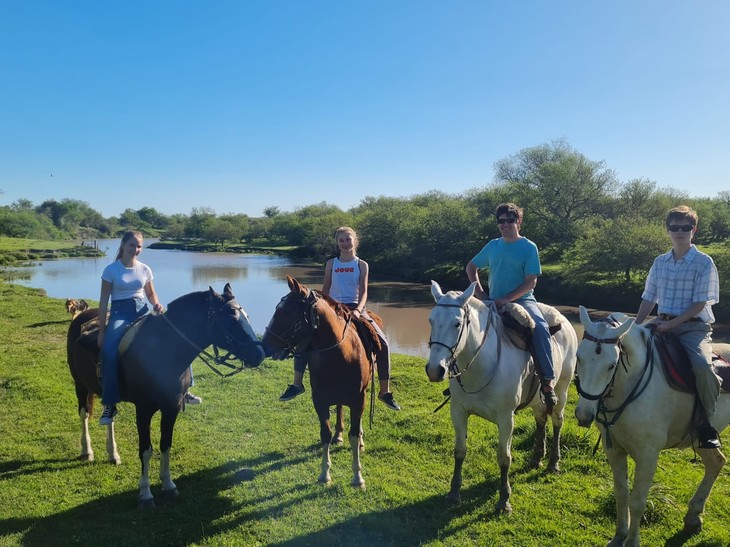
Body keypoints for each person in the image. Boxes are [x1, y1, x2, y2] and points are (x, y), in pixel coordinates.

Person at [279, 226, 401, 411]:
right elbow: (325, 289)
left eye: (348, 239)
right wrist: (320, 307)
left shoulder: (362, 265)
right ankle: (297, 384)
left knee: (383, 343)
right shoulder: (331, 264)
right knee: (305, 339)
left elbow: (364, 291)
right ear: (337, 243)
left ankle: (385, 392)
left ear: (355, 241)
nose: (345, 243)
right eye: (341, 240)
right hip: (333, 308)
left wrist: (359, 310)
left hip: (355, 308)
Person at [635, 205, 722, 449]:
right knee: (627, 353)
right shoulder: (660, 261)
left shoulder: (703, 262)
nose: (679, 231)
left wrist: (671, 325)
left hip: (693, 328)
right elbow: (649, 298)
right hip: (661, 322)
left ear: (694, 230)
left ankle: (706, 424)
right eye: (674, 227)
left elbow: (699, 304)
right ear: (668, 230)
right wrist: (635, 326)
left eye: (685, 227)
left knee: (703, 367)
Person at [96, 231, 201, 424]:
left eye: (139, 246)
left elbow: (151, 294)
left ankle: (186, 390)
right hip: (120, 314)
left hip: (143, 310)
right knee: (110, 351)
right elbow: (103, 302)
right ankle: (110, 403)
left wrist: (157, 304)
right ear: (123, 245)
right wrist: (102, 331)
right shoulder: (111, 270)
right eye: (132, 245)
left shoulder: (145, 269)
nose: (136, 250)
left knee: (177, 337)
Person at [465, 203, 558, 407]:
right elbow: (471, 267)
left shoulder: (528, 247)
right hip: (492, 302)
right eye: (501, 221)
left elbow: (531, 281)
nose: (505, 224)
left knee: (540, 328)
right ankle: (462, 379)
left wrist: (507, 299)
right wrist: (480, 293)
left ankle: (547, 383)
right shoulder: (493, 246)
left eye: (510, 220)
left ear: (519, 222)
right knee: (467, 328)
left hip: (523, 301)